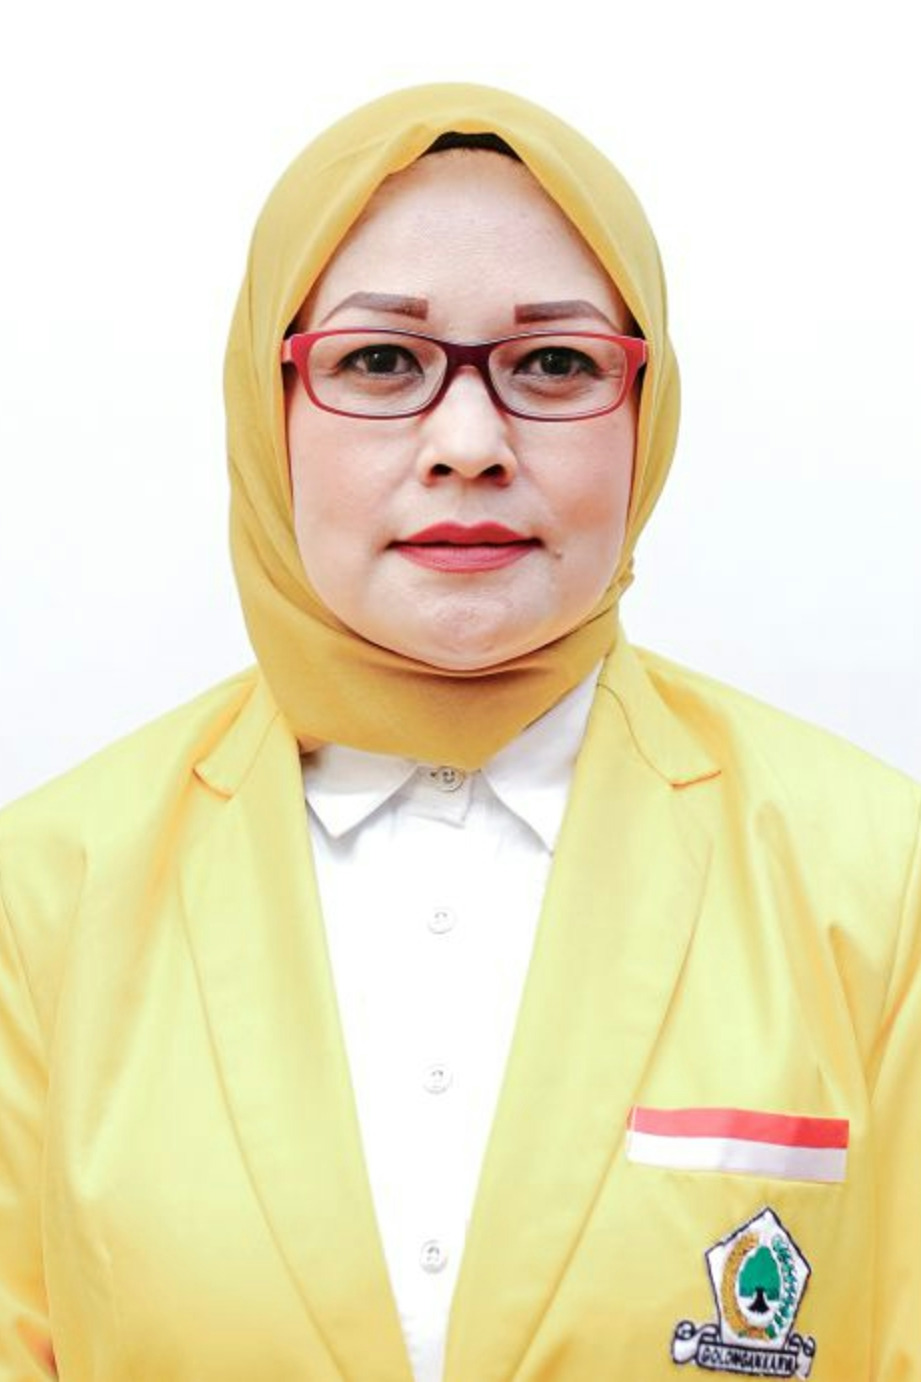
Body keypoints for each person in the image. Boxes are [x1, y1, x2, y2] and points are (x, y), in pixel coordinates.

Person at [0, 82, 918, 1382]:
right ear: (269, 404)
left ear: (646, 410)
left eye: (555, 363)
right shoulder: (44, 895)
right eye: (381, 361)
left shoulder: (879, 879)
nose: (471, 443)